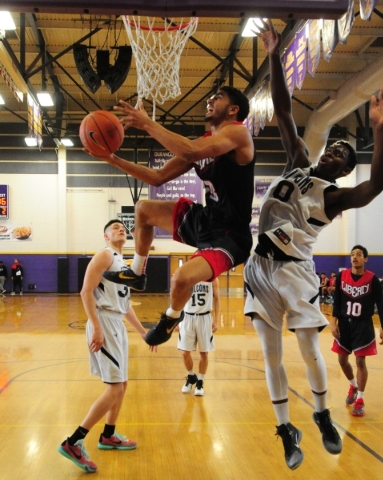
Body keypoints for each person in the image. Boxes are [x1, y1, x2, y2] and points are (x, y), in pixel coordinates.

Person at [244, 20, 383, 470]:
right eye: (331, 148)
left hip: (294, 270)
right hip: (259, 268)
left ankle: (323, 415)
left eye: (342, 155)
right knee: (270, 355)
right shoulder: (297, 163)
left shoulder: (335, 196)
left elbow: (378, 186)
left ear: (346, 170)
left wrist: (381, 130)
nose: (332, 153)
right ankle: (285, 429)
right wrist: (273, 53)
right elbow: (283, 109)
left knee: (310, 349)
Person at [91, 86, 254, 346]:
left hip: (230, 236)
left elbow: (189, 151)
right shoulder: (203, 142)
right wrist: (114, 160)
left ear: (233, 109)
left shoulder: (238, 132)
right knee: (143, 209)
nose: (210, 100)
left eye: (218, 98)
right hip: (207, 219)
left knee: (180, 279)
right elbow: (157, 177)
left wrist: (147, 124)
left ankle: (170, 318)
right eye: (210, 97)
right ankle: (137, 272)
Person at [58, 219, 156, 473]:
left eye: (123, 227)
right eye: (114, 228)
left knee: (121, 385)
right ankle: (73, 441)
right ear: (105, 236)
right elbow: (85, 291)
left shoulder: (123, 264)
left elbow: (125, 306)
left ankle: (108, 435)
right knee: (113, 389)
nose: (120, 229)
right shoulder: (104, 255)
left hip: (115, 323)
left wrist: (143, 333)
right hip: (102, 320)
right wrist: (97, 327)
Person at [330, 245, 383, 418]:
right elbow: (337, 301)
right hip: (345, 324)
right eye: (352, 254)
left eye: (359, 254)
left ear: (366, 259)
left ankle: (360, 399)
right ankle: (353, 386)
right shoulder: (342, 276)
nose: (354, 257)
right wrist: (333, 322)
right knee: (342, 360)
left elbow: (381, 305)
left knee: (360, 361)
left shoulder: (373, 279)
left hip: (363, 325)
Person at [178, 278, 220, 396]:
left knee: (204, 353)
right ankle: (191, 376)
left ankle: (200, 381)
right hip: (188, 317)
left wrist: (216, 320)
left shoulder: (212, 278)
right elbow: (179, 298)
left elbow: (217, 299)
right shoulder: (188, 276)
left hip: (204, 318)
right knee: (184, 352)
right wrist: (177, 319)